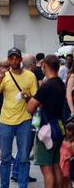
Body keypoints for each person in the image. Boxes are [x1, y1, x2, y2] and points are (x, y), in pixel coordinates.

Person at [0, 47, 38, 188]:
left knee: (24, 158)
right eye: (11, 57)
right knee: (5, 159)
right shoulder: (4, 76)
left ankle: (22, 185)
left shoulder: (30, 76)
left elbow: (35, 100)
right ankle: (4, 186)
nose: (14, 60)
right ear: (8, 60)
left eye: (17, 57)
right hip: (5, 121)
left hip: (25, 121)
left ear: (21, 59)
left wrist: (27, 96)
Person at [27, 55, 65, 188]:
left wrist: (30, 99)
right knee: (56, 166)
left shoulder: (47, 86)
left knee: (47, 169)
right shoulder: (61, 83)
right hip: (58, 128)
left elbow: (30, 107)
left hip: (46, 131)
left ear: (45, 66)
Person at [60, 122, 74, 188]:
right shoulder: (65, 138)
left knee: (67, 179)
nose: (66, 131)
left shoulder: (72, 142)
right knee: (62, 178)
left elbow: (73, 155)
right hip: (62, 161)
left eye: (68, 130)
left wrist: (67, 158)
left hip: (67, 162)